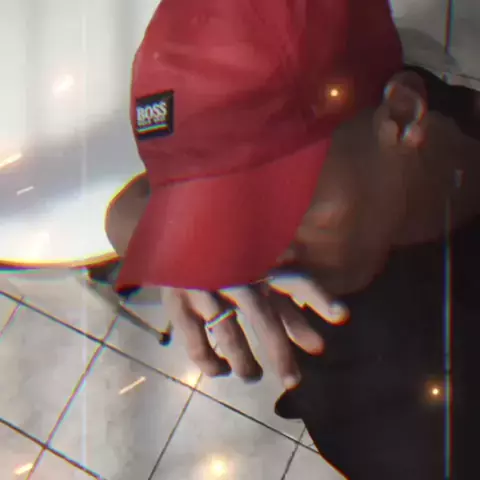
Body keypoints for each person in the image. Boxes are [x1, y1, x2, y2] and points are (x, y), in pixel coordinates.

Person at [104, 0, 480, 477]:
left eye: (277, 202)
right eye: (209, 214)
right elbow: (128, 211)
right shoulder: (416, 431)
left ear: (405, 112)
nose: (251, 260)